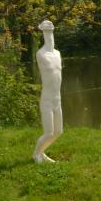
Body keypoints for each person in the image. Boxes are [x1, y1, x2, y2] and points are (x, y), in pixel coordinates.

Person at [33, 19, 63, 163]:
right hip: (47, 100)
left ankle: (42, 152)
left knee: (58, 132)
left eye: (51, 27)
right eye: (46, 29)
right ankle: (36, 154)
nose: (49, 32)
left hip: (58, 100)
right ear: (43, 31)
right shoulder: (41, 54)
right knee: (49, 132)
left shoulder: (58, 53)